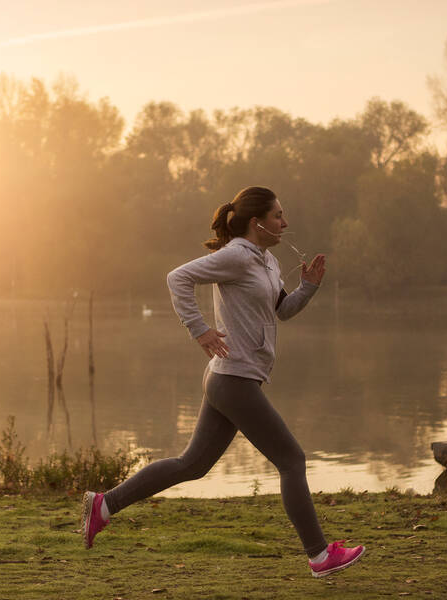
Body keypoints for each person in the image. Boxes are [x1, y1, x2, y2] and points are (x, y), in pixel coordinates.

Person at [81, 186, 364, 578]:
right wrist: (199, 330)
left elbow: (282, 311)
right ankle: (319, 557)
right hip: (233, 379)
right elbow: (176, 278)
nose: (286, 222)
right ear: (257, 222)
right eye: (279, 215)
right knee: (292, 460)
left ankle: (104, 505)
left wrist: (309, 287)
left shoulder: (266, 261)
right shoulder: (234, 256)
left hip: (230, 378)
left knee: (192, 465)